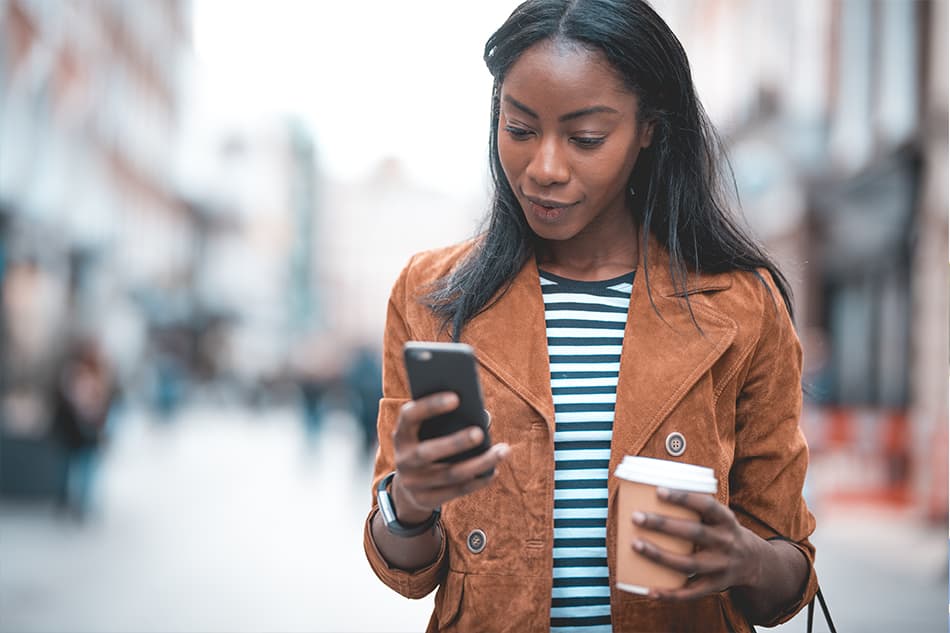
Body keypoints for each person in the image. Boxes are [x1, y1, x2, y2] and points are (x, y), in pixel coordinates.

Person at [363, 1, 818, 631]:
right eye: (519, 129)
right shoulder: (430, 296)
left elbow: (787, 575)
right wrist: (408, 501)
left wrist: (746, 559)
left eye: (586, 138)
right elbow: (405, 571)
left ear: (650, 128)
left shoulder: (742, 306)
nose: (544, 168)